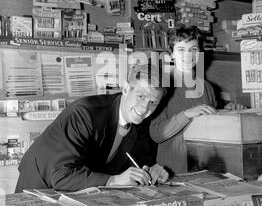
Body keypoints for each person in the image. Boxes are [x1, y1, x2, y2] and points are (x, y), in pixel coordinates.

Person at [15, 64, 169, 193]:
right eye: (141, 96)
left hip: (81, 188)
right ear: (126, 89)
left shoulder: (140, 121)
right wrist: (113, 180)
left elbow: (138, 160)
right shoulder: (85, 112)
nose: (145, 108)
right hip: (40, 184)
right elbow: (61, 175)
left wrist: (152, 170)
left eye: (153, 102)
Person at [150, 25, 244, 174]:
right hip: (173, 170)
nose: (188, 55)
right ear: (171, 54)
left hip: (206, 168)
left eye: (193, 49)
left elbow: (211, 124)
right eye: (181, 49)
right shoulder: (162, 87)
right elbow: (156, 134)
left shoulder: (207, 87)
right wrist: (187, 114)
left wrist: (226, 112)